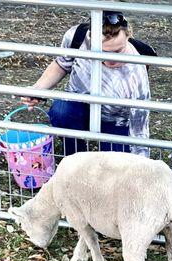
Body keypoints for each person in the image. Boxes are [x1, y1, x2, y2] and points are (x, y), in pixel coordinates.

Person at [22, 11, 151, 157]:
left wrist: (142, 166)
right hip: (78, 105)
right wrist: (37, 90)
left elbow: (140, 130)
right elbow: (62, 64)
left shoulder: (136, 73)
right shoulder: (78, 36)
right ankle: (75, 158)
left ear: (128, 36)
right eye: (103, 52)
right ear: (91, 38)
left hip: (115, 120)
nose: (112, 59)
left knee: (115, 165)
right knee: (62, 111)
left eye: (118, 51)